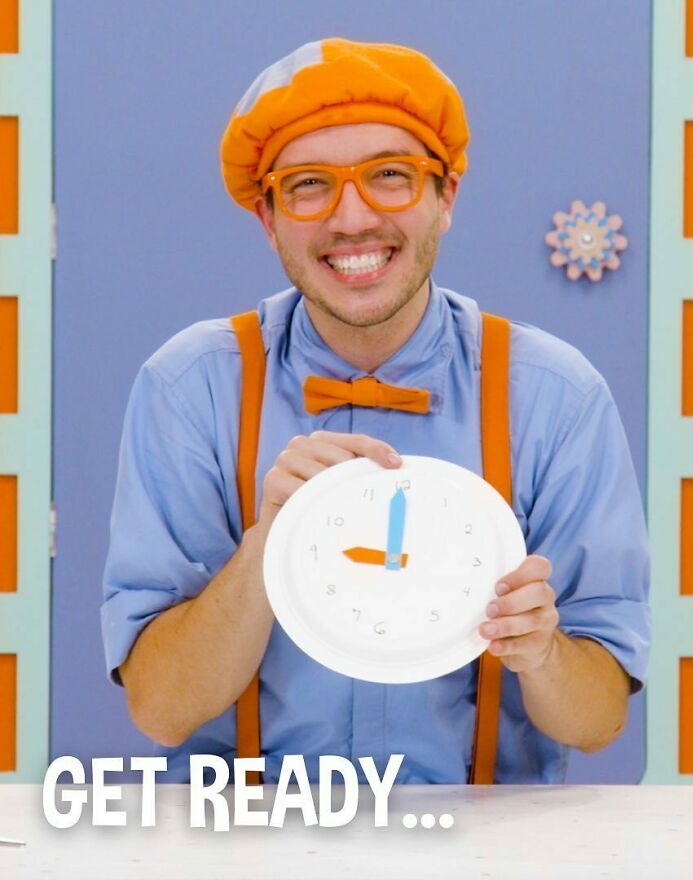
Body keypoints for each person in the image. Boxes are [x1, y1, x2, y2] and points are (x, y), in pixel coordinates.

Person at [101, 38, 651, 784]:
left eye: (390, 176)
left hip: (485, 848)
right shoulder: (189, 389)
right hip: (248, 843)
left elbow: (598, 722)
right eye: (308, 185)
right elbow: (160, 710)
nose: (352, 218)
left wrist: (543, 650)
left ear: (445, 198)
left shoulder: (555, 397)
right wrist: (268, 544)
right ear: (267, 218)